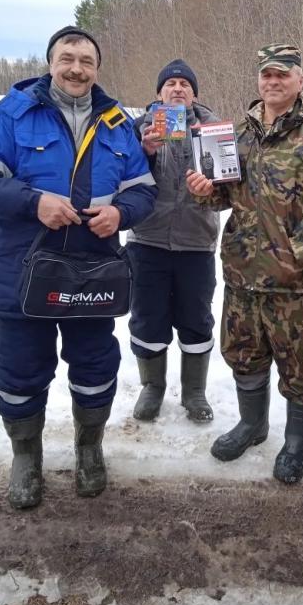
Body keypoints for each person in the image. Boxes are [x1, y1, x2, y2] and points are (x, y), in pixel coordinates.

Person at [0, 26, 156, 509]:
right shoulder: (9, 117)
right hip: (23, 272)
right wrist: (33, 201)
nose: (77, 68)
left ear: (97, 69)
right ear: (50, 63)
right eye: (67, 58)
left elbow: (144, 190)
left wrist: (122, 213)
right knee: (20, 371)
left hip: (93, 271)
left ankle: (89, 448)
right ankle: (25, 456)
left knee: (96, 366)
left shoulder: (120, 123)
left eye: (86, 60)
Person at [187, 43, 303, 484]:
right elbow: (222, 197)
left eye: (283, 74)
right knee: (244, 355)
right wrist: (203, 188)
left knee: (301, 368)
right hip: (242, 274)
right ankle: (253, 425)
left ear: (300, 80)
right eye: (267, 75)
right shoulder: (237, 133)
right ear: (259, 80)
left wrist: (297, 258)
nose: (274, 82)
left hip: (295, 281)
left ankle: (295, 444)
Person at [127, 59, 219, 423]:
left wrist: (214, 176)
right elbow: (121, 177)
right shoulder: (138, 129)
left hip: (196, 241)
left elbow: (230, 186)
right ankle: (153, 387)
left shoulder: (213, 128)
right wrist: (145, 152)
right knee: (148, 317)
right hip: (147, 239)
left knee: (196, 317)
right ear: (158, 93)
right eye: (171, 83)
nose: (178, 88)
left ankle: (195, 391)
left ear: (194, 93)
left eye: (185, 83)